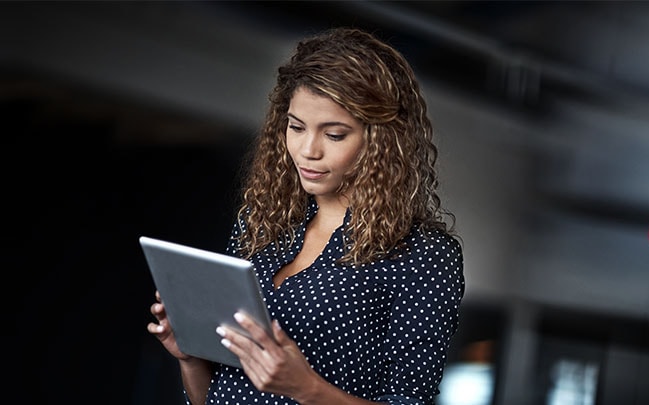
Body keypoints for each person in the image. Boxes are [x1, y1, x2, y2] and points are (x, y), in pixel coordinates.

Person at [147, 27, 465, 405]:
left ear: (380, 141)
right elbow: (217, 397)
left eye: (334, 135)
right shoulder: (262, 222)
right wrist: (190, 358)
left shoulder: (422, 255)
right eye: (296, 127)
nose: (307, 150)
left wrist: (307, 388)